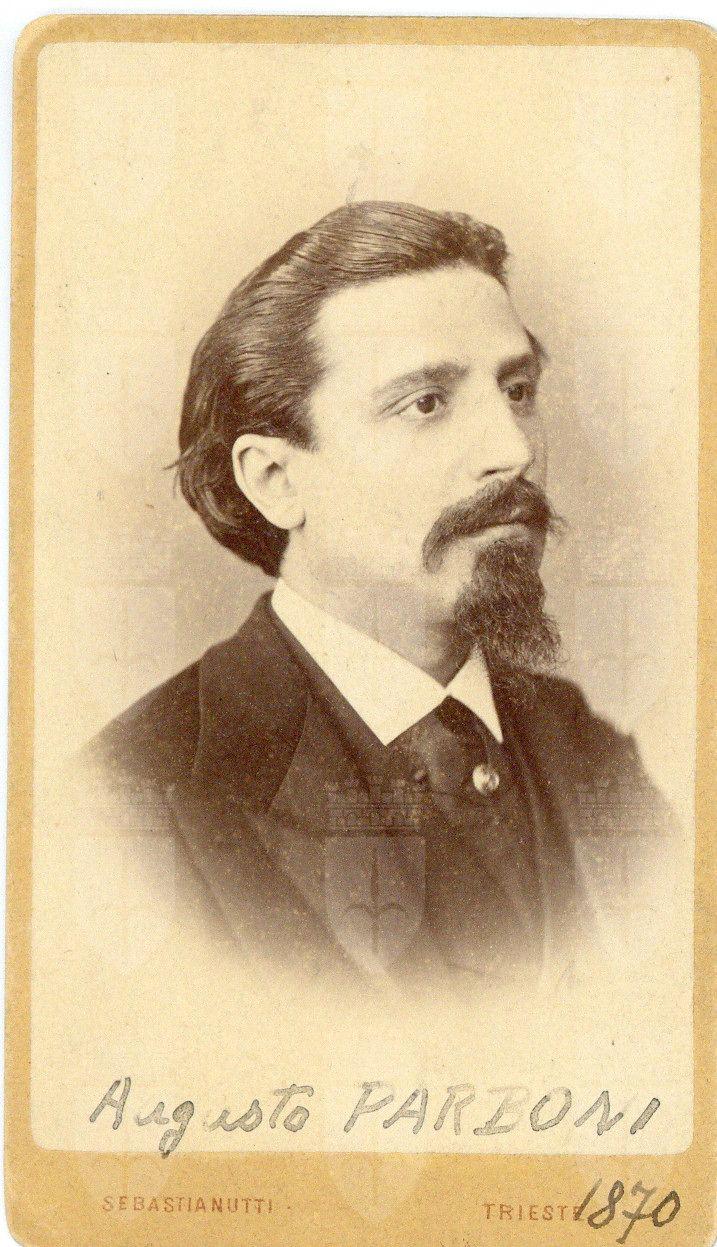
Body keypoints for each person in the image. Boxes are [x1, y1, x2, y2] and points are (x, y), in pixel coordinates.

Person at [78, 201, 673, 986]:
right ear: (275, 479)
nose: (513, 450)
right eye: (425, 402)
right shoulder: (127, 805)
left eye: (517, 390)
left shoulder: (592, 751)